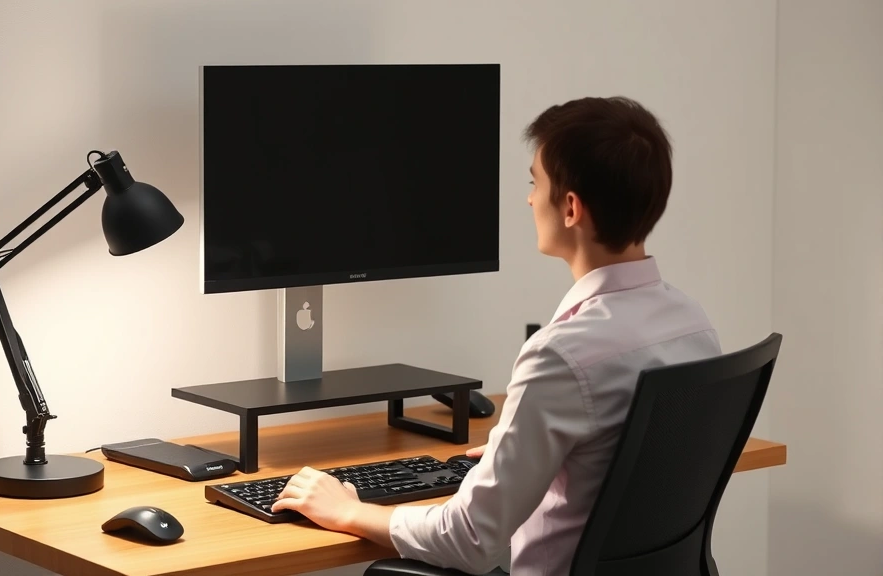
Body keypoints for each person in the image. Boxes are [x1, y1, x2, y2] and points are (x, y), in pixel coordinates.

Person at [270, 96, 722, 575]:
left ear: (570, 208)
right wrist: (532, 453)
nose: (529, 198)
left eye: (535, 182)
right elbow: (626, 453)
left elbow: (470, 540)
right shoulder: (693, 325)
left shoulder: (561, 356)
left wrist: (351, 511)